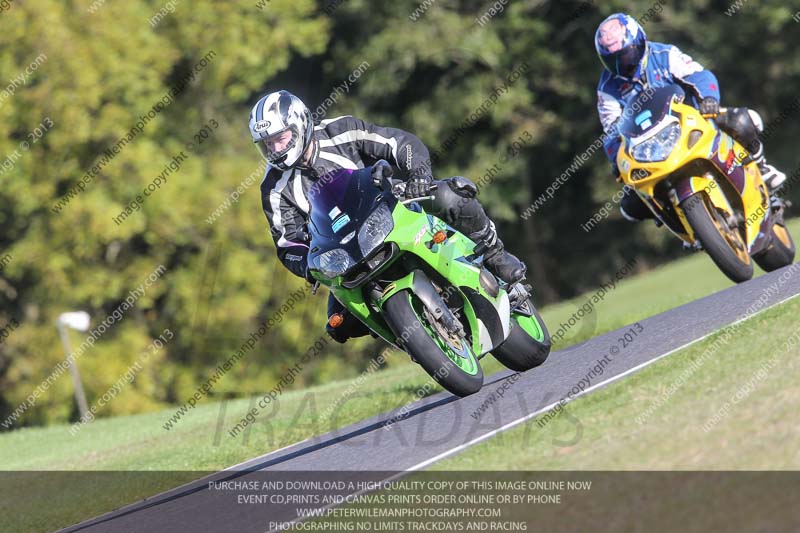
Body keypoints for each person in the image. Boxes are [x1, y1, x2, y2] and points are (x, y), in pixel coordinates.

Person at [249, 90, 526, 343]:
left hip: (392, 206)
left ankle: (495, 255)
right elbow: (287, 242)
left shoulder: (340, 131)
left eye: (280, 139)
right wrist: (307, 265)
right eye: (267, 144)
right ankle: (411, 335)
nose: (275, 150)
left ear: (299, 124)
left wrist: (419, 175)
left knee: (450, 195)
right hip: (345, 254)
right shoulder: (273, 187)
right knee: (338, 324)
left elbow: (399, 143)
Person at [594, 13, 786, 222]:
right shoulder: (607, 88)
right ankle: (677, 220)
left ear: (639, 41)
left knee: (744, 120)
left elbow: (698, 74)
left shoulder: (665, 54)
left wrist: (708, 98)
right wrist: (616, 160)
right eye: (612, 60)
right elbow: (611, 129)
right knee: (630, 206)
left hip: (693, 123)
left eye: (625, 55)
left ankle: (762, 169)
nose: (621, 63)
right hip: (649, 150)